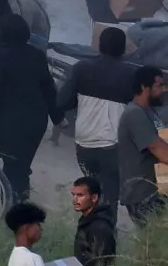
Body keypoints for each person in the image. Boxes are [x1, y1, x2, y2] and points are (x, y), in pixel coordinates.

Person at [0, 14, 63, 202]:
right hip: (36, 122)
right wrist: (58, 117)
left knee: (12, 167)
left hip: (10, 123)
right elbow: (48, 88)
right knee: (21, 165)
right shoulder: (37, 55)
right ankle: (20, 203)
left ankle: (13, 208)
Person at [59, 27, 138, 209]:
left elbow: (62, 101)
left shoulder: (81, 68)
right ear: (123, 49)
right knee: (108, 199)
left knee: (92, 196)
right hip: (113, 147)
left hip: (84, 146)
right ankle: (103, 234)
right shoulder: (131, 75)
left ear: (99, 47)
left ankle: (91, 233)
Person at [117, 65, 168, 225]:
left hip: (156, 190)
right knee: (153, 244)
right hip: (143, 195)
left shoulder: (150, 113)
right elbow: (159, 150)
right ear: (143, 87)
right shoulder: (135, 114)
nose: (163, 90)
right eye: (159, 86)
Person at [71, 177, 117, 266]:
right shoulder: (87, 220)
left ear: (94, 197)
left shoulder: (100, 226)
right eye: (73, 195)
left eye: (80, 195)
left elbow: (101, 261)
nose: (74, 200)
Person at [5, 202, 48, 266]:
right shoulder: (33, 259)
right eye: (38, 224)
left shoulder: (14, 257)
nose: (41, 229)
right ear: (27, 228)